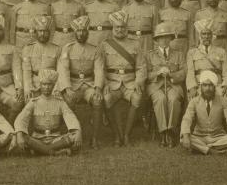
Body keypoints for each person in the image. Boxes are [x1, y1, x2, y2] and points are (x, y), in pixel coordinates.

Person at [58, 15, 105, 148]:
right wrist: (67, 88)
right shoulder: (67, 48)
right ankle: (71, 136)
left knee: (97, 100)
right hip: (73, 84)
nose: (81, 33)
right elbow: (63, 69)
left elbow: (99, 70)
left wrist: (98, 88)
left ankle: (94, 138)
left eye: (84, 30)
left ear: (88, 32)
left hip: (89, 84)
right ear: (74, 32)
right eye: (78, 30)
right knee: (68, 100)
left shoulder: (95, 49)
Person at [101, 11, 147, 146]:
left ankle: (126, 135)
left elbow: (141, 66)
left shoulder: (135, 44)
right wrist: (104, 83)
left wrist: (139, 81)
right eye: (117, 27)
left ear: (126, 29)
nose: (120, 30)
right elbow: (100, 68)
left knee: (137, 97)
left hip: (130, 82)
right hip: (112, 82)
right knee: (107, 98)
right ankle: (117, 135)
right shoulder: (104, 45)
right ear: (112, 29)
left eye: (122, 27)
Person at [180, 70, 227, 155]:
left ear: (215, 87)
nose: (207, 89)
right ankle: (213, 150)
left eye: (210, 85)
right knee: (183, 138)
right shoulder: (194, 101)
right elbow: (187, 119)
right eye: (205, 85)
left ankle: (201, 149)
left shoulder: (222, 100)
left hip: (218, 137)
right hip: (199, 137)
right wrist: (186, 135)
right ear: (200, 87)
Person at [146, 21, 187, 147]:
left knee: (174, 99)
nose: (163, 40)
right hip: (156, 86)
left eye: (166, 37)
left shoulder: (179, 54)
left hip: (173, 85)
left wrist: (172, 75)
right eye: (160, 38)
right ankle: (163, 132)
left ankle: (171, 131)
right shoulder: (149, 55)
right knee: (161, 99)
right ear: (156, 40)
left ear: (170, 39)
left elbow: (184, 72)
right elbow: (145, 74)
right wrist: (157, 73)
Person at [21, 15, 63, 105]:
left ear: (49, 33)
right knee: (30, 103)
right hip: (35, 84)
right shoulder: (28, 49)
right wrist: (28, 88)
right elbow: (26, 71)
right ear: (36, 32)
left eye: (45, 31)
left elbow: (60, 71)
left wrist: (57, 88)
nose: (42, 34)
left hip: (51, 85)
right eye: (40, 31)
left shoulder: (57, 49)